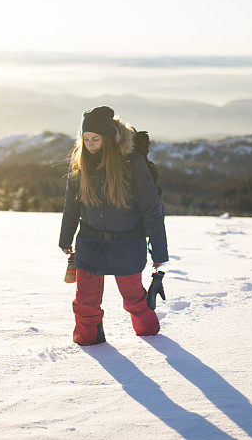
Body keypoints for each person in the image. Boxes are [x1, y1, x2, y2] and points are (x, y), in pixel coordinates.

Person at [58, 106, 168, 346]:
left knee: (134, 300)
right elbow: (71, 203)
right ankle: (88, 344)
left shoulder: (131, 161)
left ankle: (150, 337)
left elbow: (152, 208)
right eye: (85, 139)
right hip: (89, 241)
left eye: (95, 139)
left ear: (109, 138)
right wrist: (65, 238)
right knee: (85, 303)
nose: (89, 144)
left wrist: (159, 253)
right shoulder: (80, 161)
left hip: (127, 243)